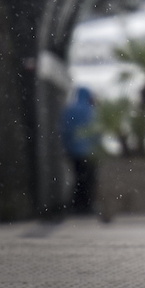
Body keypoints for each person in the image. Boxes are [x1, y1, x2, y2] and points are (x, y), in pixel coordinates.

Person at [59, 85, 99, 215]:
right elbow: (96, 132)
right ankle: (86, 206)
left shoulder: (69, 110)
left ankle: (77, 205)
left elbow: (65, 131)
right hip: (89, 152)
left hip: (73, 151)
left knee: (77, 178)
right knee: (88, 179)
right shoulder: (91, 111)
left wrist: (66, 147)